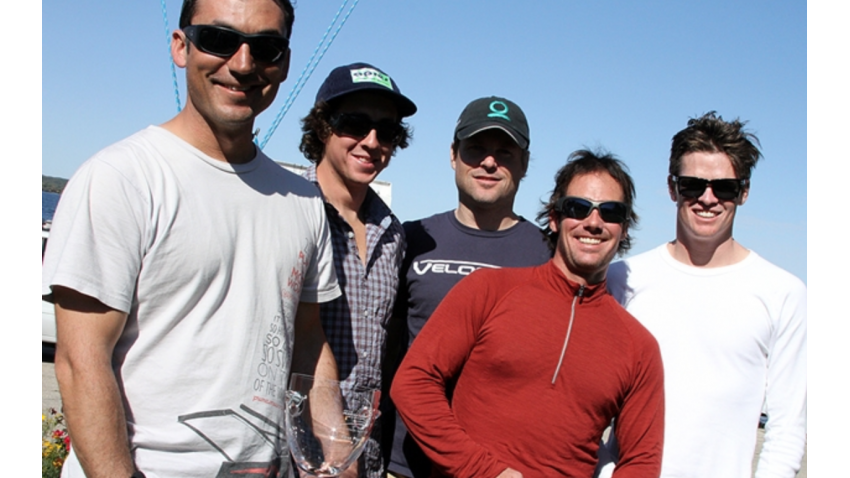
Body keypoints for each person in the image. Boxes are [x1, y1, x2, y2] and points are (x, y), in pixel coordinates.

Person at [41, 1, 342, 477]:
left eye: (265, 47)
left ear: (284, 62)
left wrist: (336, 451)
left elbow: (308, 343)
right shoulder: (121, 178)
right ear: (181, 47)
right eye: (219, 40)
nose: (242, 64)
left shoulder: (303, 200)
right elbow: (82, 361)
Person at [391, 150, 664, 477]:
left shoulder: (639, 348)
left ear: (624, 227)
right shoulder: (489, 290)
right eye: (578, 208)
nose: (593, 223)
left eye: (610, 212)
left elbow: (642, 461)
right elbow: (413, 383)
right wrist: (484, 471)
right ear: (554, 217)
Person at [606, 112, 807, 478]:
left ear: (743, 192)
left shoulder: (784, 293)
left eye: (724, 187)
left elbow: (787, 427)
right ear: (672, 188)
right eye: (693, 185)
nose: (708, 199)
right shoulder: (623, 279)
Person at [385, 96, 551, 478]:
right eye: (475, 148)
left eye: (504, 152)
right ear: (453, 155)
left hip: (503, 468)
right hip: (407, 465)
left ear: (524, 164)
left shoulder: (548, 254)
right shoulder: (410, 239)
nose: (489, 162)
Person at [299, 62, 417, 478]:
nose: (371, 142)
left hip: (364, 460)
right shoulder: (288, 210)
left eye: (386, 131)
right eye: (354, 124)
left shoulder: (394, 234)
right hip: (294, 454)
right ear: (321, 126)